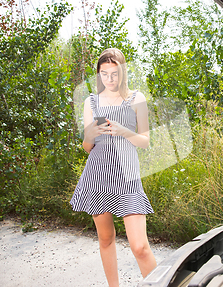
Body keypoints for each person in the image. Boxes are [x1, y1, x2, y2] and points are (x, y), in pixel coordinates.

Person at [70, 48, 156, 287]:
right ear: (98, 75)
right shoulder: (91, 102)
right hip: (98, 176)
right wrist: (89, 134)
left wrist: (123, 131)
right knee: (106, 239)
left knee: (139, 246)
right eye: (104, 73)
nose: (109, 78)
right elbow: (88, 147)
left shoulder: (136, 99)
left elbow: (145, 141)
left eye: (114, 73)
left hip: (127, 177)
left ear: (123, 72)